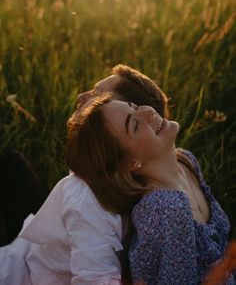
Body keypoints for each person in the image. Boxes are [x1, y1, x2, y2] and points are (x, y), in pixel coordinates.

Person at [0, 65, 169, 284]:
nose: (82, 97)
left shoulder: (89, 195)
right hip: (32, 253)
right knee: (13, 164)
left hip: (26, 270)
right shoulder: (98, 182)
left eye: (97, 96)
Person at [66, 94, 235, 285]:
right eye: (135, 125)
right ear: (129, 163)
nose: (147, 111)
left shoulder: (186, 162)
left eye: (135, 106)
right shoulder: (165, 208)